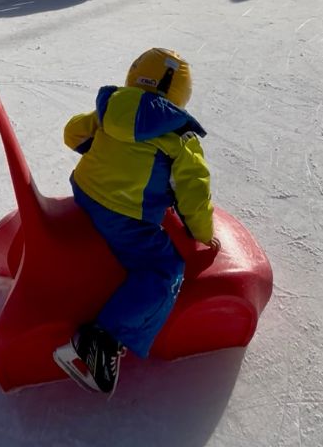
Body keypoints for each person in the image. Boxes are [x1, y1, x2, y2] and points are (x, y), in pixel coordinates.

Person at [53, 48, 218, 394]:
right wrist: (202, 233)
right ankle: (101, 341)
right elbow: (193, 192)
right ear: (181, 93)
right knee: (163, 269)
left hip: (84, 192)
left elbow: (73, 134)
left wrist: (108, 150)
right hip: (123, 218)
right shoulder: (180, 138)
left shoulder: (112, 107)